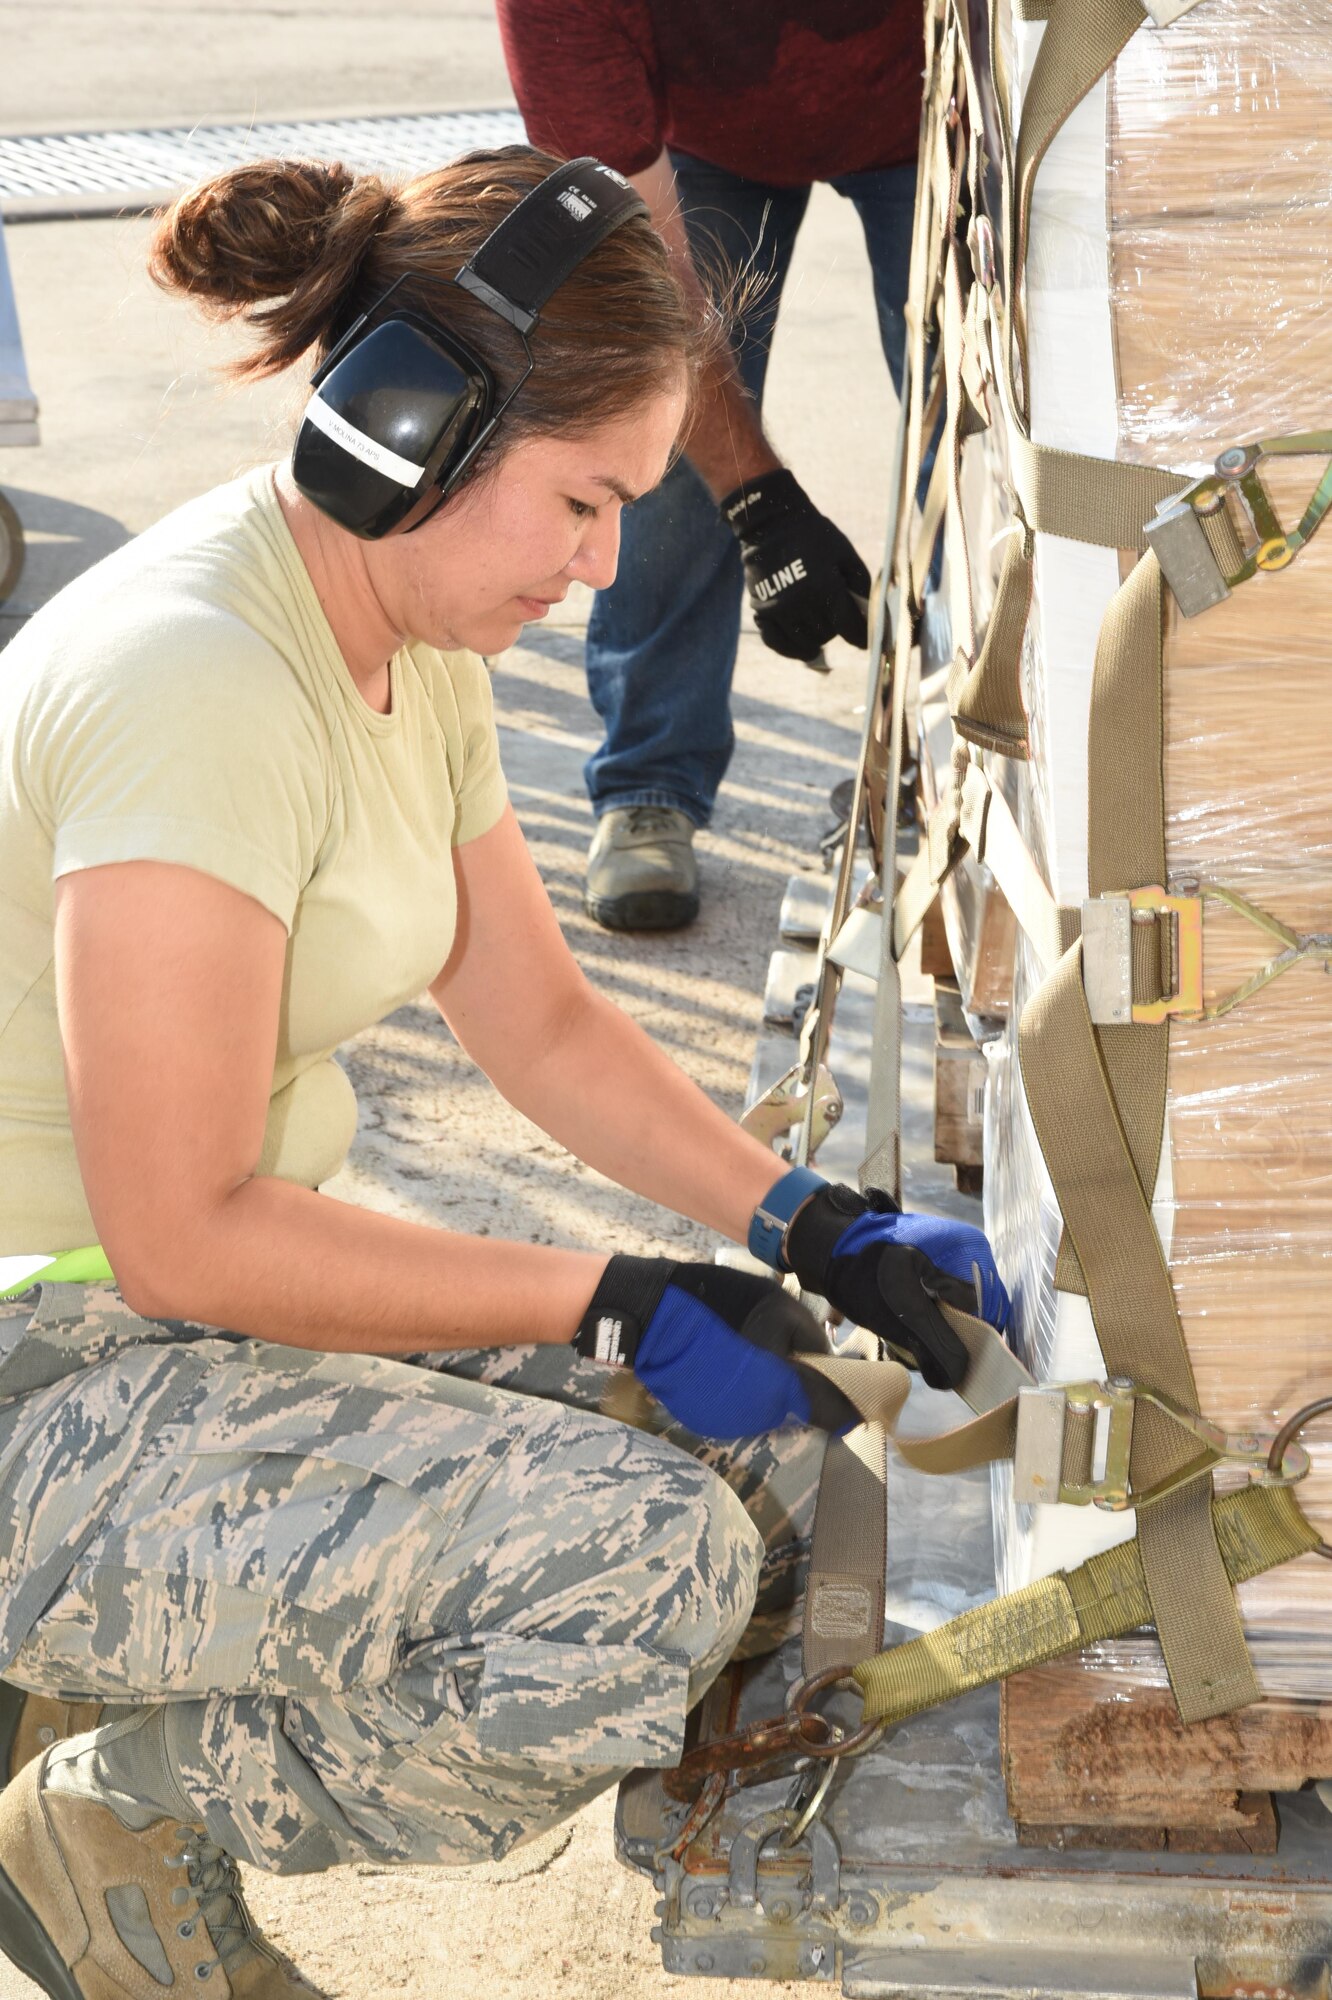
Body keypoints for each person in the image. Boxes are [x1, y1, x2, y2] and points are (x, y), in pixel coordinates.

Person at [0, 148, 1008, 2000]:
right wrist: (615, 1296)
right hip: (48, 1365)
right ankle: (110, 1804)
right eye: (584, 501)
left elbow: (535, 1021)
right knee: (636, 1582)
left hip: (172, 1342)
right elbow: (179, 1239)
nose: (608, 563)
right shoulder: (195, 683)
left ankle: (156, 1639)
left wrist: (814, 1225)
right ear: (408, 437)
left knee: (785, 1449)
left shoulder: (395, 623)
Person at [497, 0, 925, 930]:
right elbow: (647, 291)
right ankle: (649, 784)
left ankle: (960, 761)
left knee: (974, 442)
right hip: (700, 136)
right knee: (653, 438)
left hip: (933, 104)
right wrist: (758, 504)